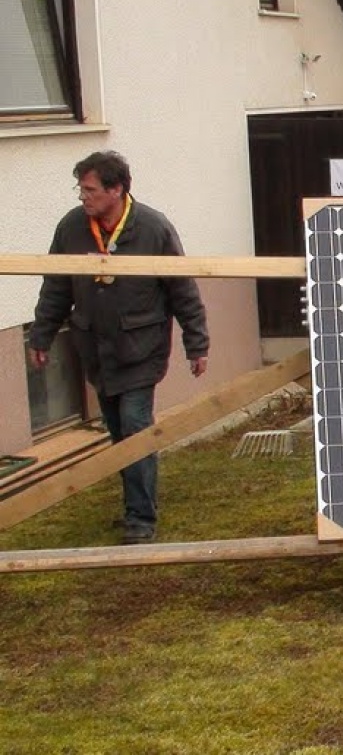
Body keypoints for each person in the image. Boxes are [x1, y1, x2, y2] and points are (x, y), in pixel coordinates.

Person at [28, 151, 210, 546]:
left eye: (90, 189)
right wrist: (41, 335)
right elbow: (56, 286)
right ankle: (135, 504)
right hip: (96, 351)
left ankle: (141, 519)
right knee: (118, 431)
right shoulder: (72, 227)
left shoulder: (153, 228)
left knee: (135, 426)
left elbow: (182, 289)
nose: (83, 196)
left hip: (141, 349)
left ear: (116, 190)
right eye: (80, 189)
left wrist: (196, 344)